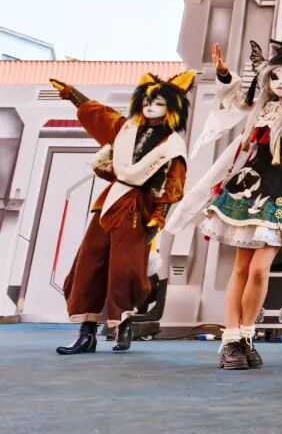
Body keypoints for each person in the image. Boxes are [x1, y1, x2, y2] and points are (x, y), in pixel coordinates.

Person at [166, 40, 282, 370]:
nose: (281, 84)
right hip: (249, 187)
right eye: (275, 77)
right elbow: (234, 101)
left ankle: (246, 335)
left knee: (261, 270)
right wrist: (223, 73)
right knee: (241, 268)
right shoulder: (261, 107)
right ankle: (232, 339)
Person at [50, 71, 194, 355]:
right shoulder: (126, 129)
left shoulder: (172, 144)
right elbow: (101, 116)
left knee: (125, 270)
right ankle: (86, 333)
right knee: (89, 264)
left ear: (172, 107)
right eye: (147, 101)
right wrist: (73, 94)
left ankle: (124, 324)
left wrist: (159, 216)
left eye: (159, 103)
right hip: (110, 203)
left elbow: (173, 184)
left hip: (138, 209)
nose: (151, 107)